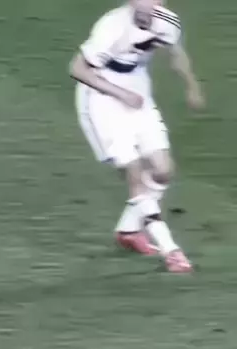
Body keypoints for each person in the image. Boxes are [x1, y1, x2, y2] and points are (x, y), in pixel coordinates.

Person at [70, 0, 204, 272]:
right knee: (135, 173)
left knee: (163, 171)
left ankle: (129, 230)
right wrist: (120, 94)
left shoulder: (167, 21)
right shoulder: (111, 27)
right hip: (101, 97)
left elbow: (177, 53)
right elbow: (77, 68)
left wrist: (192, 86)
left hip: (138, 89)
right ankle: (171, 251)